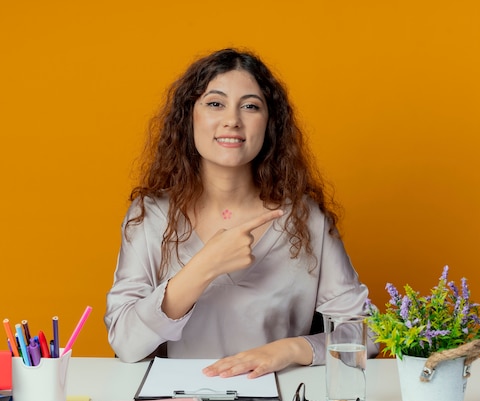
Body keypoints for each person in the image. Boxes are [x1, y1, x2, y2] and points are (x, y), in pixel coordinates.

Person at [104, 48, 379, 378]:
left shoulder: (306, 219)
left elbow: (369, 331)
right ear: (189, 117)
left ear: (269, 124)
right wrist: (205, 265)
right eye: (215, 103)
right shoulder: (150, 216)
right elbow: (125, 343)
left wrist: (291, 349)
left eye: (250, 106)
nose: (232, 119)